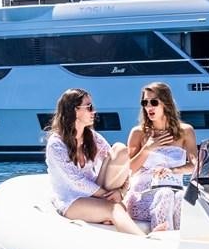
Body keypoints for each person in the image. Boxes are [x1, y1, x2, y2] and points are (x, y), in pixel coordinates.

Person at [44, 88, 145, 235]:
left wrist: (121, 191)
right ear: (74, 110)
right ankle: (145, 241)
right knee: (115, 209)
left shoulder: (92, 137)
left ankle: (106, 213)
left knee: (120, 149)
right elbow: (76, 181)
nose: (94, 111)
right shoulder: (56, 144)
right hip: (71, 199)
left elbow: (123, 166)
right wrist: (108, 196)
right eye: (89, 107)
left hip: (95, 192)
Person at [123, 82, 198, 232]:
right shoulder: (138, 133)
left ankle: (175, 242)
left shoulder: (186, 131)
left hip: (173, 189)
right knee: (166, 194)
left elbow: (194, 166)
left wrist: (172, 170)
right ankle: (161, 241)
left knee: (178, 197)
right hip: (141, 196)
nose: (149, 107)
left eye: (154, 102)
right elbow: (128, 169)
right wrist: (147, 149)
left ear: (166, 103)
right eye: (145, 102)